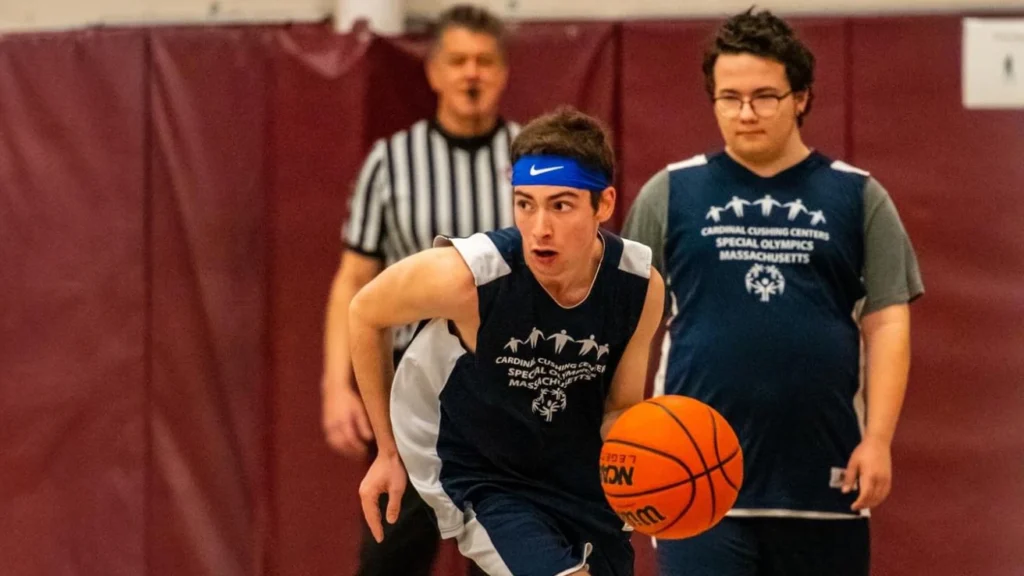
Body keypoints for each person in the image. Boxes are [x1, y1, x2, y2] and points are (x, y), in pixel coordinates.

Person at [622, 9, 924, 576]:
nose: (745, 113)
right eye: (729, 97)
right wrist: (624, 428)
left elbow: (888, 323)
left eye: (765, 96)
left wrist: (879, 439)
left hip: (827, 478)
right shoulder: (669, 193)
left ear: (801, 97)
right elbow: (627, 325)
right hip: (694, 481)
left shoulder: (860, 197)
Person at [349, 108, 665, 576]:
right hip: (485, 473)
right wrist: (388, 453)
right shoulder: (471, 276)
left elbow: (618, 408)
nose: (539, 227)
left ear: (603, 205)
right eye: (525, 203)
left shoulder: (639, 285)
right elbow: (364, 312)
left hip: (574, 471)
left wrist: (662, 463)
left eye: (560, 205)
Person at [320, 5, 516, 575]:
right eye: (457, 61)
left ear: (503, 73)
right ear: (433, 73)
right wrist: (337, 385)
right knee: (391, 559)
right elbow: (353, 280)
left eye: (484, 61)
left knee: (506, 558)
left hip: (508, 384)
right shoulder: (392, 161)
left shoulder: (531, 159)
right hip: (411, 390)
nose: (471, 74)